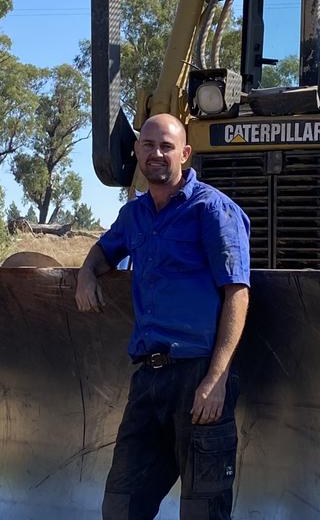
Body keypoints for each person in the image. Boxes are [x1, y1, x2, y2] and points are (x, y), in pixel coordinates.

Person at [77, 113, 251, 520]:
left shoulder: (213, 210)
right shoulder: (134, 215)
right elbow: (104, 252)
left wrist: (216, 378)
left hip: (198, 376)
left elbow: (237, 293)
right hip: (149, 379)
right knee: (121, 506)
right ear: (136, 152)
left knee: (202, 511)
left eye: (167, 147)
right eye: (149, 145)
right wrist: (86, 273)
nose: (156, 153)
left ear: (185, 154)